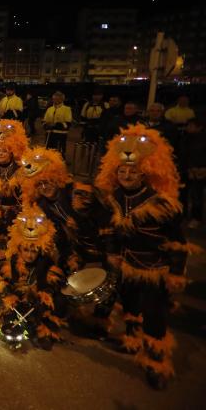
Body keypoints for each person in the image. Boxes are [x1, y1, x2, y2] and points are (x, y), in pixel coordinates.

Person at [94, 124, 190, 389]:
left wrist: (176, 273)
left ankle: (156, 364)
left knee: (154, 318)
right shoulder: (112, 198)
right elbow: (108, 231)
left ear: (144, 173)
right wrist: (112, 253)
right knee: (130, 309)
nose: (126, 175)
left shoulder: (162, 203)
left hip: (154, 269)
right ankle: (132, 342)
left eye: (132, 171)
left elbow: (178, 242)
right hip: (125, 267)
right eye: (122, 171)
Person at [0, 206, 66, 351]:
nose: (29, 255)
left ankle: (41, 330)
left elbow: (53, 287)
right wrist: (6, 290)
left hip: (37, 304)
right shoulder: (13, 263)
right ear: (19, 249)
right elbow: (1, 280)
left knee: (55, 303)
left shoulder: (47, 266)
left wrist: (45, 294)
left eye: (34, 251)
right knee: (9, 320)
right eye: (26, 250)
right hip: (20, 301)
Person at [180, 118, 206, 228]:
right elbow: (184, 154)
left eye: (191, 125)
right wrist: (188, 168)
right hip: (186, 170)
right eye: (187, 125)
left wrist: (202, 168)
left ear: (199, 127)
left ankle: (196, 218)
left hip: (200, 171)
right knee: (183, 195)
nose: (188, 128)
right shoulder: (185, 138)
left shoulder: (203, 139)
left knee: (197, 196)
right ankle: (183, 216)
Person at [42, 91, 72, 157]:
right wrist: (46, 125)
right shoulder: (49, 109)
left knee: (59, 155)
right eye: (54, 99)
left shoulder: (67, 109)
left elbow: (67, 124)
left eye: (58, 99)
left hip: (60, 136)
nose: (56, 100)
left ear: (62, 99)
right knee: (48, 153)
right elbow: (44, 121)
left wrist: (55, 125)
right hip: (49, 135)